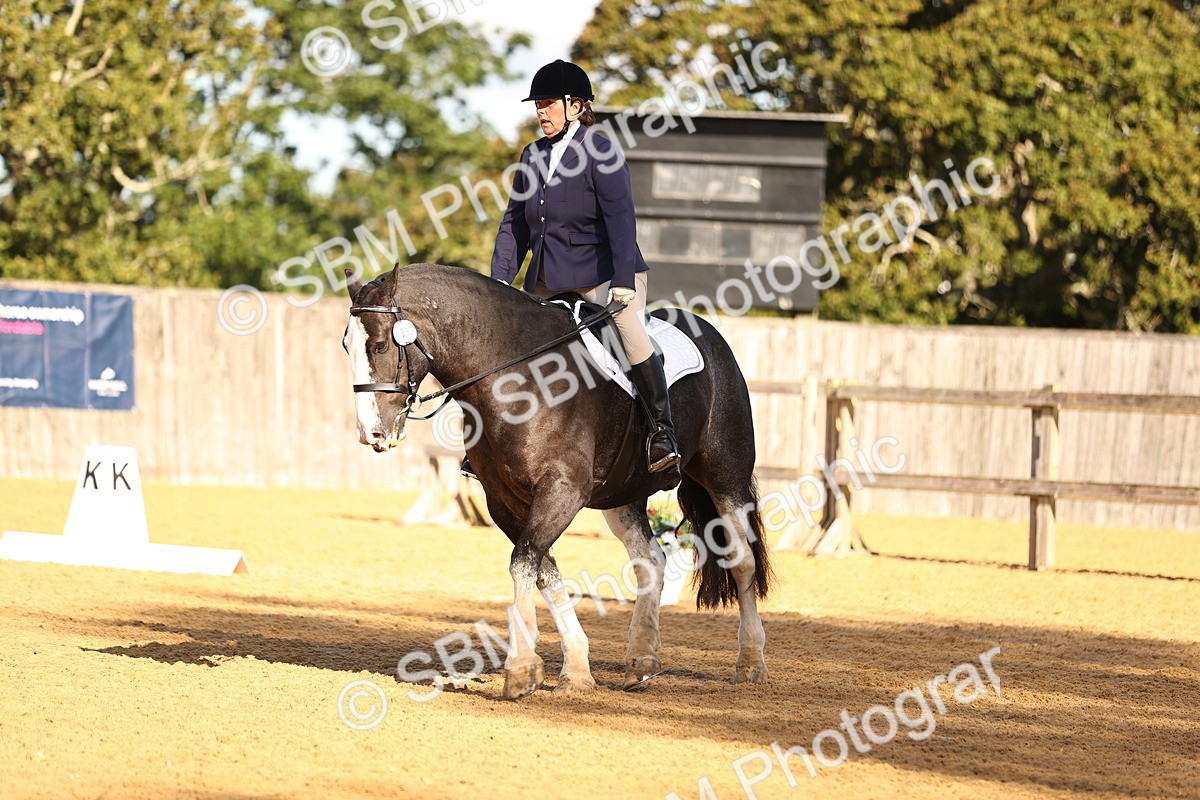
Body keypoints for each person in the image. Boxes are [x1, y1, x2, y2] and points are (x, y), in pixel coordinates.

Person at [462, 59, 680, 481]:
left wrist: (621, 283)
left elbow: (621, 221)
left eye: (548, 103)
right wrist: (498, 283)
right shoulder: (532, 155)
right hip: (549, 277)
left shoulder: (601, 151)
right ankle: (487, 442)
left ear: (576, 106)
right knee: (506, 345)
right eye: (538, 104)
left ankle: (661, 433)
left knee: (630, 335)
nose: (541, 111)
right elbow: (514, 225)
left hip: (605, 274)